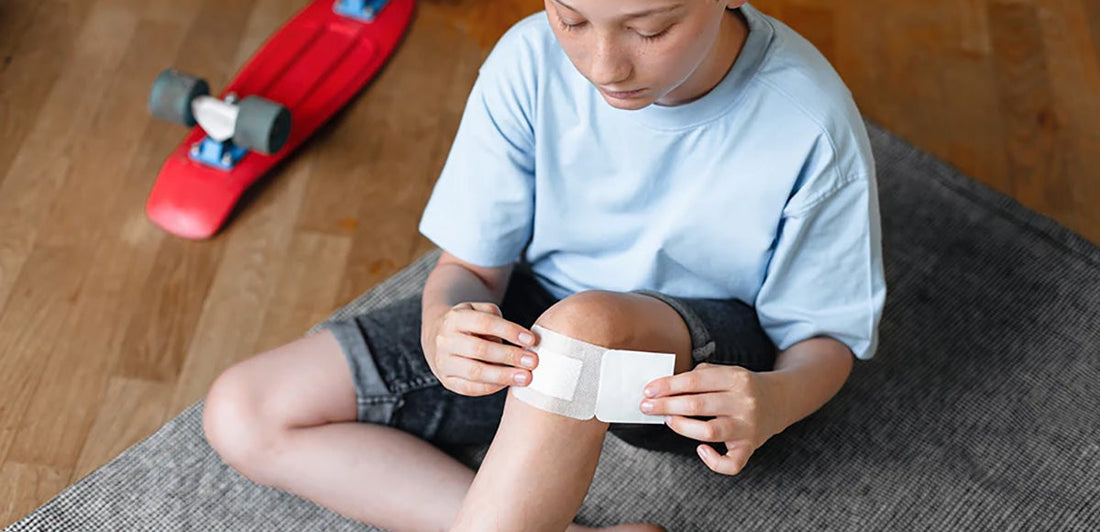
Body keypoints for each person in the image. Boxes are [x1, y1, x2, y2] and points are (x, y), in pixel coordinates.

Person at [201, 0, 886, 530]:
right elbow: (470, 268)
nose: (603, 66)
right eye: (572, 17)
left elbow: (823, 339)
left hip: (695, 365)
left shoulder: (809, 124)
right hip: (539, 317)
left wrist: (773, 403)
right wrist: (444, 323)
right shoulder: (527, 61)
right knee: (244, 411)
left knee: (583, 326)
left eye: (648, 30)